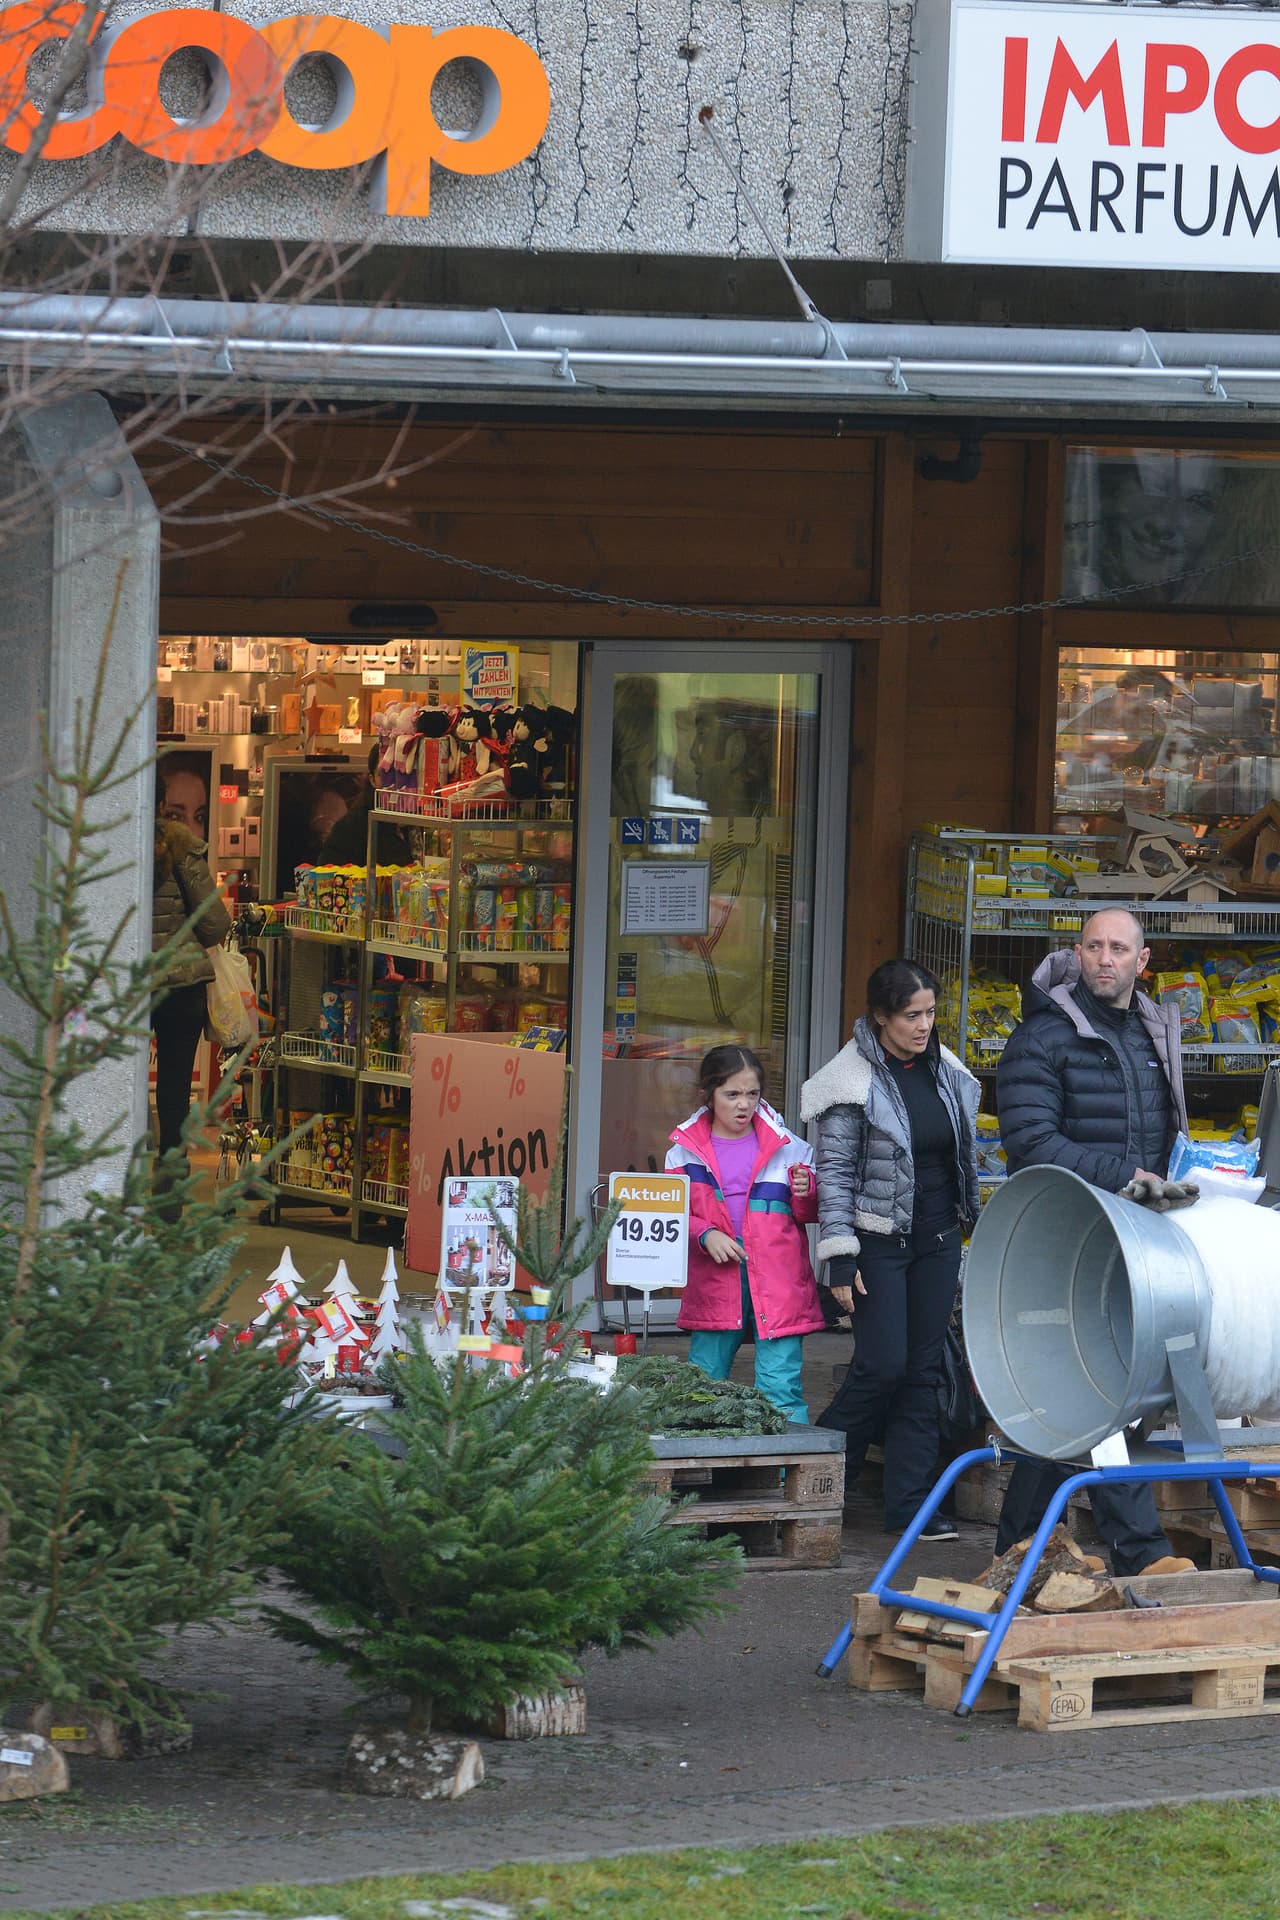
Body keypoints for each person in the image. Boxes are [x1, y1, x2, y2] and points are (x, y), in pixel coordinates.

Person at [993, 906, 1194, 1577]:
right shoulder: (1041, 1037)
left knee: (1070, 1397)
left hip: (1130, 1239)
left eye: (1119, 949)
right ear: (1076, 954)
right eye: (1094, 947)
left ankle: (1018, 1550)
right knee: (1103, 1386)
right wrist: (1125, 1177)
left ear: (1143, 961)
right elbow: (1030, 1141)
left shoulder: (1152, 1032)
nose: (1105, 959)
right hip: (1063, 1237)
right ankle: (1142, 1551)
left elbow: (1161, 1136)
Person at [801, 959, 981, 1541]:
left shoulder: (945, 1070)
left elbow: (959, 1158)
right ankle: (819, 1467)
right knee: (882, 1366)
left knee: (923, 1372)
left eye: (930, 1013)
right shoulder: (849, 1079)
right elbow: (833, 1173)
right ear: (880, 1016)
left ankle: (911, 1509)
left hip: (937, 1240)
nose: (924, 1025)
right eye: (911, 1015)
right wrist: (839, 1255)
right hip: (876, 1242)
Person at [665, 1045, 824, 1422]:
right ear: (708, 1095)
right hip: (715, 1280)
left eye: (753, 1094)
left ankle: (787, 1459)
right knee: (702, 1385)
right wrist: (705, 1234)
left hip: (778, 1280)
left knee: (780, 1386)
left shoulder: (790, 1147)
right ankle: (701, 1458)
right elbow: (671, 1215)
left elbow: (810, 1215)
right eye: (732, 1094)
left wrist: (807, 1192)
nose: (744, 1104)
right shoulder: (683, 1152)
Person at [152, 813, 231, 1204]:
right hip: (181, 985)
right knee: (175, 1084)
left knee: (115, 1072)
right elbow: (215, 924)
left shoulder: (105, 841)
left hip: (125, 984)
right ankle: (170, 1176)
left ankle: (111, 1170)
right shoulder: (183, 849)